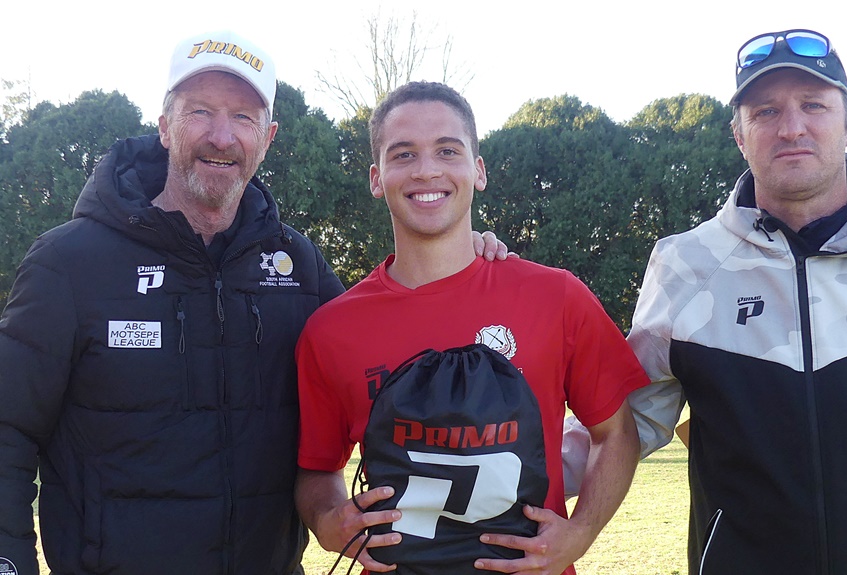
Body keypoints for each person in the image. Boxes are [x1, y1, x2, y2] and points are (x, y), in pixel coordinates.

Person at [0, 32, 506, 575]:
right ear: (166, 127)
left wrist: (462, 258)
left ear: (266, 137)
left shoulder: (299, 264)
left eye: (243, 117)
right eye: (200, 112)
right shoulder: (70, 263)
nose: (222, 136)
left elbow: (393, 352)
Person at [571, 28, 847, 575]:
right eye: (765, 112)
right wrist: (512, 474)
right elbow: (631, 418)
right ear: (738, 134)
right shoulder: (684, 264)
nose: (792, 127)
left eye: (814, 104)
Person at [293, 81, 648, 575]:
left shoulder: (556, 296)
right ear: (377, 178)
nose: (427, 170)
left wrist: (582, 531)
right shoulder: (331, 329)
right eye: (404, 154)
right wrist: (328, 519)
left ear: (478, 170)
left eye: (447, 150)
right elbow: (317, 467)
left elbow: (617, 433)